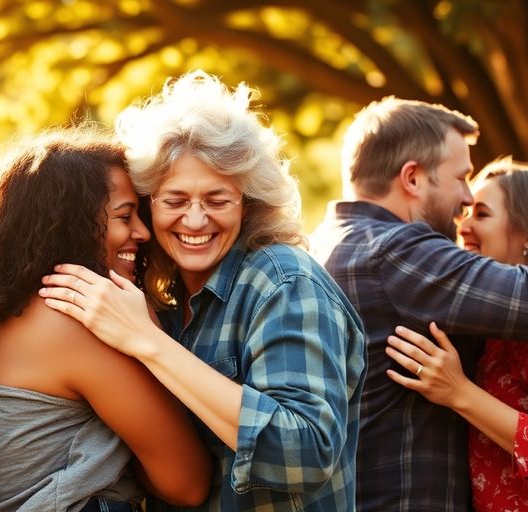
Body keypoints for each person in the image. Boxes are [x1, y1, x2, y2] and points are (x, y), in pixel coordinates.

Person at [40, 71, 366, 511]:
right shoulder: (168, 297)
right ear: (147, 205)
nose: (195, 221)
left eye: (217, 201)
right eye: (175, 201)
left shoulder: (284, 283)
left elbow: (305, 454)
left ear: (248, 203)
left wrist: (148, 342)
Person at [309, 97, 528, 511]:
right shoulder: (394, 249)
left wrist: (461, 393)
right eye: (461, 177)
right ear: (412, 178)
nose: (465, 202)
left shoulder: (321, 245)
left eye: (482, 210)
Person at [0, 130, 212, 512]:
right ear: (69, 223)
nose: (142, 232)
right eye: (124, 216)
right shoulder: (72, 324)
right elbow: (188, 484)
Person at [386, 158, 528, 510]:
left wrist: (460, 393)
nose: (464, 226)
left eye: (482, 214)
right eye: (466, 213)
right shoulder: (496, 331)